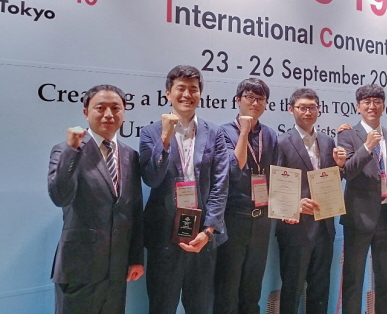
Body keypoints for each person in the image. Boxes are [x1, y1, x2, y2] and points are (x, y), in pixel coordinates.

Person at [140, 65, 228, 314]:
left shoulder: (215, 133)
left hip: (202, 234)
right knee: (161, 306)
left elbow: (220, 184)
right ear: (168, 93)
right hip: (164, 236)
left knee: (199, 306)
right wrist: (165, 139)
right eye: (181, 88)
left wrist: (209, 231)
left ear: (200, 94)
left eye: (193, 89)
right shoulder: (150, 133)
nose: (187, 94)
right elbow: (151, 179)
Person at [48, 84, 144, 314]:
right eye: (100, 108)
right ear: (86, 112)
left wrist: (136, 258)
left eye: (115, 108)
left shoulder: (130, 156)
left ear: (124, 112)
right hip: (78, 269)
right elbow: (60, 196)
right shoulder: (65, 151)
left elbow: (134, 211)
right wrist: (72, 151)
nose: (108, 114)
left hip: (116, 270)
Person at [337, 84, 387, 314]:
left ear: (383, 106)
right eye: (367, 102)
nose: (372, 106)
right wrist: (367, 146)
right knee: (353, 280)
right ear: (358, 106)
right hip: (358, 218)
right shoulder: (347, 135)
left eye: (377, 101)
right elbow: (347, 172)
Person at [276, 88, 346, 314]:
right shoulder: (282, 142)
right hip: (295, 228)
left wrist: (339, 167)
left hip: (324, 227)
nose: (308, 112)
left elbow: (330, 181)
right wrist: (295, 204)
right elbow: (275, 185)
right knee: (292, 288)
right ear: (291, 110)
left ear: (318, 110)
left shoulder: (328, 141)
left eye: (312, 107)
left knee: (320, 288)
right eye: (302, 108)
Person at [214, 78, 278, 314]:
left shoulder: (269, 135)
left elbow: (275, 174)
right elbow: (234, 168)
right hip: (233, 218)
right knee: (227, 286)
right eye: (250, 97)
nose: (255, 103)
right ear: (237, 100)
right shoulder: (223, 132)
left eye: (260, 99)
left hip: (261, 219)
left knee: (252, 287)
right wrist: (243, 131)